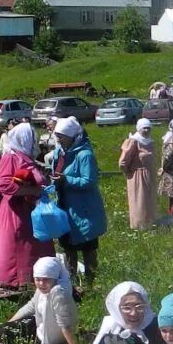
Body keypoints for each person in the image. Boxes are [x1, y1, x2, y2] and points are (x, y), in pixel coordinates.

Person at [0, 121, 51, 289]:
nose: (34, 142)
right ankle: (16, 281)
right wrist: (32, 190)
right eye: (31, 138)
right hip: (15, 211)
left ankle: (33, 280)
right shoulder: (11, 156)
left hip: (28, 209)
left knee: (31, 246)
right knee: (19, 247)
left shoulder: (23, 156)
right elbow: (3, 184)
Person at [50, 117, 107, 287]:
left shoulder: (84, 155)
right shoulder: (60, 152)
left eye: (62, 136)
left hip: (84, 209)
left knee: (88, 248)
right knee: (68, 248)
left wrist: (66, 179)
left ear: (72, 136)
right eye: (57, 136)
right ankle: (71, 284)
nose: (58, 140)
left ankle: (91, 284)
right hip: (65, 207)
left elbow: (89, 181)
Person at [7, 255, 79, 344]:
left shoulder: (58, 293)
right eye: (38, 279)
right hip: (41, 329)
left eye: (46, 279)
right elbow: (30, 307)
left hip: (51, 339)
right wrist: (9, 323)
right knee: (6, 329)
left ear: (55, 279)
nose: (41, 283)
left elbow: (65, 325)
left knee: (5, 336)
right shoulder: (41, 290)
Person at [119, 118, 158, 231]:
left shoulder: (150, 141)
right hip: (137, 176)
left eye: (148, 128)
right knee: (139, 201)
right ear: (139, 128)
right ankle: (139, 226)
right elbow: (123, 161)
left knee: (149, 200)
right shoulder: (133, 141)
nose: (146, 130)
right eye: (144, 128)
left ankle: (150, 223)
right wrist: (128, 172)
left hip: (149, 175)